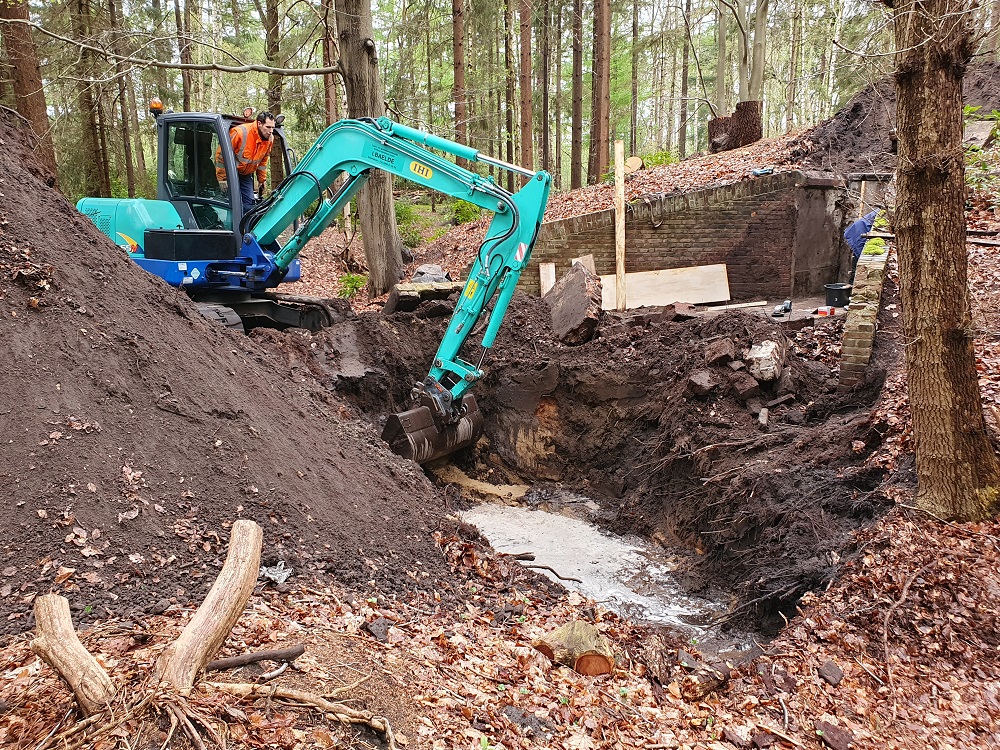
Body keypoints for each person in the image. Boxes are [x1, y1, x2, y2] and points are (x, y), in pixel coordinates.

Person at [216, 111, 276, 214]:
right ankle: (228, 226)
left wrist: (262, 180)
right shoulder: (239, 133)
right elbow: (221, 156)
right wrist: (222, 178)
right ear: (259, 124)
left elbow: (263, 161)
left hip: (246, 174)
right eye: (268, 127)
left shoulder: (269, 139)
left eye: (273, 127)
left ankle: (243, 227)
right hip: (231, 173)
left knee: (248, 204)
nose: (271, 131)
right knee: (230, 203)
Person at [844, 209, 878, 282]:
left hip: (859, 231)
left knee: (857, 261)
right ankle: (850, 286)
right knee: (858, 262)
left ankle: (851, 284)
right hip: (859, 234)